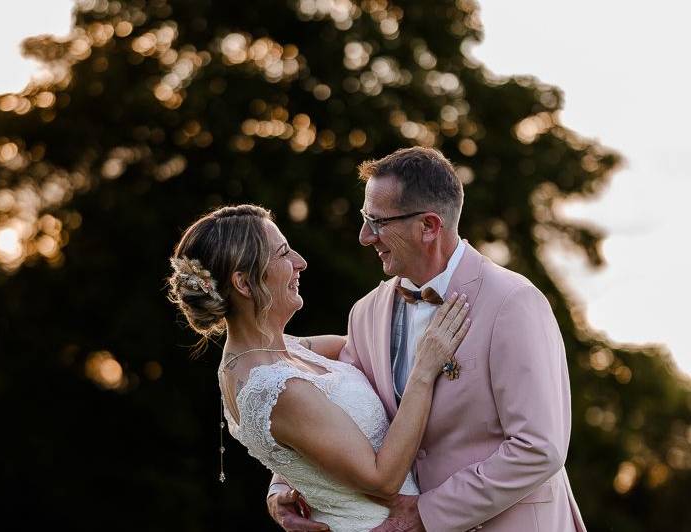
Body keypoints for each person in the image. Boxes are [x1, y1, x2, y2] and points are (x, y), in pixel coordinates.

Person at [268, 147, 586, 532]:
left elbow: (539, 447)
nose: (365, 236)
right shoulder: (366, 312)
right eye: (364, 218)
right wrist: (286, 484)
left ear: (429, 226)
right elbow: (337, 408)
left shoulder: (512, 302)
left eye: (377, 221)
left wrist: (428, 513)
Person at [168, 204, 471, 531]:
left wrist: (280, 485)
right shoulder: (277, 388)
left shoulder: (281, 352)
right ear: (243, 283)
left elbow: (360, 348)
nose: (300, 262)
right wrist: (424, 371)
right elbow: (382, 479)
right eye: (283, 253)